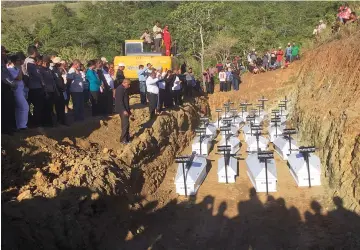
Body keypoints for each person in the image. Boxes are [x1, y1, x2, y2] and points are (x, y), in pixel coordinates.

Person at [24, 45, 45, 127]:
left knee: (35, 105)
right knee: (37, 105)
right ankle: (35, 123)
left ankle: (34, 122)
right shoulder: (30, 62)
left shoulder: (29, 60)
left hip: (32, 85)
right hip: (34, 86)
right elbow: (37, 74)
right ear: (34, 52)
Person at [7, 54, 29, 130]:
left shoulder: (16, 69)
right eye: (18, 60)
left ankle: (20, 125)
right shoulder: (10, 69)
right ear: (14, 61)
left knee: (19, 109)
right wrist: (20, 68)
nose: (20, 62)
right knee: (24, 107)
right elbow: (19, 78)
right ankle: (22, 125)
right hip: (16, 91)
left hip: (21, 90)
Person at [2, 46, 17, 134]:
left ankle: (9, 127)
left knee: (9, 108)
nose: (5, 54)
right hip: (4, 87)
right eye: (4, 52)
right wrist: (11, 83)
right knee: (5, 109)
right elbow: (3, 77)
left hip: (7, 88)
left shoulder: (3, 63)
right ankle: (5, 129)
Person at [39, 55, 58, 127]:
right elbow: (42, 81)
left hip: (52, 90)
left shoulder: (49, 70)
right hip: (46, 91)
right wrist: (45, 91)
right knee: (46, 108)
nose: (48, 64)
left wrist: (55, 90)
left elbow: (53, 81)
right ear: (44, 62)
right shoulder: (41, 70)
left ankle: (50, 122)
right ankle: (46, 123)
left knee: (50, 108)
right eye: (47, 62)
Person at [115, 78, 131, 144]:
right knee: (125, 125)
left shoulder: (124, 88)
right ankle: (123, 140)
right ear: (124, 83)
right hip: (122, 110)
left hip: (125, 109)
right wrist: (124, 110)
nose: (129, 86)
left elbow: (126, 101)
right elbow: (119, 101)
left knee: (127, 124)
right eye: (128, 84)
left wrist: (128, 110)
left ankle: (127, 138)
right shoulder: (120, 89)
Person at [51, 57, 67, 126]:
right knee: (58, 106)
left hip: (61, 90)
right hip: (57, 91)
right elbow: (56, 81)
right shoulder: (53, 71)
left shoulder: (57, 70)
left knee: (61, 106)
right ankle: (59, 120)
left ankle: (62, 120)